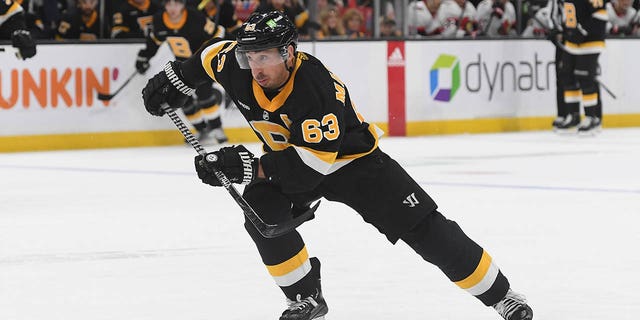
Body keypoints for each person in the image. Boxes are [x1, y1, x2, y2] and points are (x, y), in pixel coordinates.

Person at [141, 10, 534, 320]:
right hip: (291, 158)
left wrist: (241, 166)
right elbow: (208, 56)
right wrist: (172, 81)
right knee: (261, 213)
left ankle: (503, 298)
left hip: (354, 165)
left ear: (289, 53)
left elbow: (308, 170)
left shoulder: (315, 89)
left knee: (426, 230)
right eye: (250, 56)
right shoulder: (233, 62)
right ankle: (305, 298)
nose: (255, 67)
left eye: (265, 57)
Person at [137, 0, 228, 144]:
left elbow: (219, 32)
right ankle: (201, 129)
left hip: (202, 63)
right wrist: (144, 57)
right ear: (164, 5)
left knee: (204, 94)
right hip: (183, 65)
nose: (173, 8)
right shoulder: (159, 20)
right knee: (182, 99)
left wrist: (214, 54)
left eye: (177, 4)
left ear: (183, 4)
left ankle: (217, 128)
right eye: (169, 4)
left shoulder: (195, 17)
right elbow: (154, 41)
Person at [556, 0, 608, 134]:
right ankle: (573, 115)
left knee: (585, 78)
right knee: (566, 76)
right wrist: (562, 31)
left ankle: (592, 117)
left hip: (591, 40)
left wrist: (583, 31)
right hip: (572, 41)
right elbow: (568, 14)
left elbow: (600, 15)